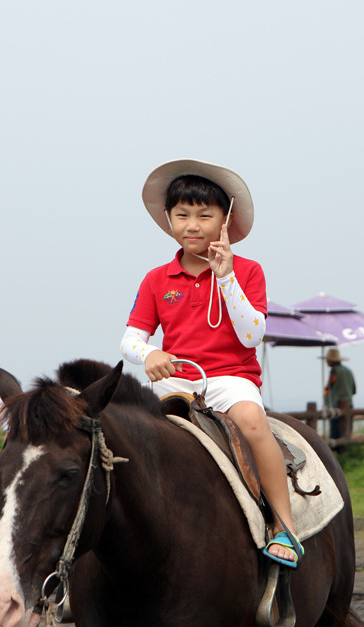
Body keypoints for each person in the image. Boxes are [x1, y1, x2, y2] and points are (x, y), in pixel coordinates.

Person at [120, 158, 303, 568]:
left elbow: (252, 334)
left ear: (225, 221)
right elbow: (130, 338)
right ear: (169, 220)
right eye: (182, 215)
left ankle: (283, 526)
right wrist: (149, 353)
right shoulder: (155, 279)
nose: (192, 225)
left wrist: (226, 277)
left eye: (205, 215)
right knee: (120, 437)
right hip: (175, 382)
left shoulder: (249, 271)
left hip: (230, 379)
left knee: (254, 423)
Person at [323, 347, 356, 441]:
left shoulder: (334, 371)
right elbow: (354, 390)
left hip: (336, 405)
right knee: (346, 431)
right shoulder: (348, 371)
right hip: (348, 405)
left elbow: (329, 387)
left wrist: (326, 394)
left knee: (335, 434)